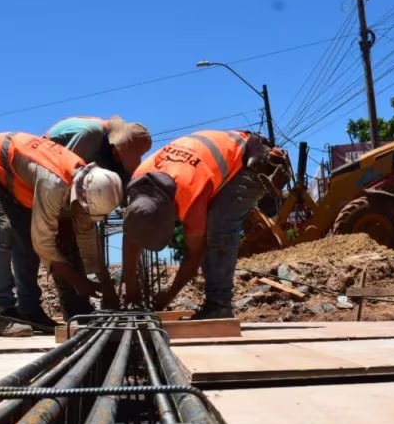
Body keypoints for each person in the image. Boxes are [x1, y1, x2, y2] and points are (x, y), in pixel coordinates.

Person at [121, 130, 289, 319]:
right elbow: (132, 232)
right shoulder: (139, 181)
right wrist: (131, 288)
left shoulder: (189, 195)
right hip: (223, 156)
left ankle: (219, 305)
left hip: (254, 161)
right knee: (212, 223)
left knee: (218, 229)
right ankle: (216, 303)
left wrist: (168, 296)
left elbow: (194, 254)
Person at [0, 131, 122, 334]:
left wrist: (104, 283)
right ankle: (4, 313)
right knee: (2, 233)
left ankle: (29, 310)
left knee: (26, 241)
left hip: (13, 179)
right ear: (82, 198)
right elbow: (44, 243)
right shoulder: (54, 184)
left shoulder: (87, 181)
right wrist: (78, 281)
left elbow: (87, 237)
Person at [45, 115, 152, 184]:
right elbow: (63, 174)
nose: (120, 159)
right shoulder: (92, 134)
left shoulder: (109, 150)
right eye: (122, 153)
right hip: (45, 168)